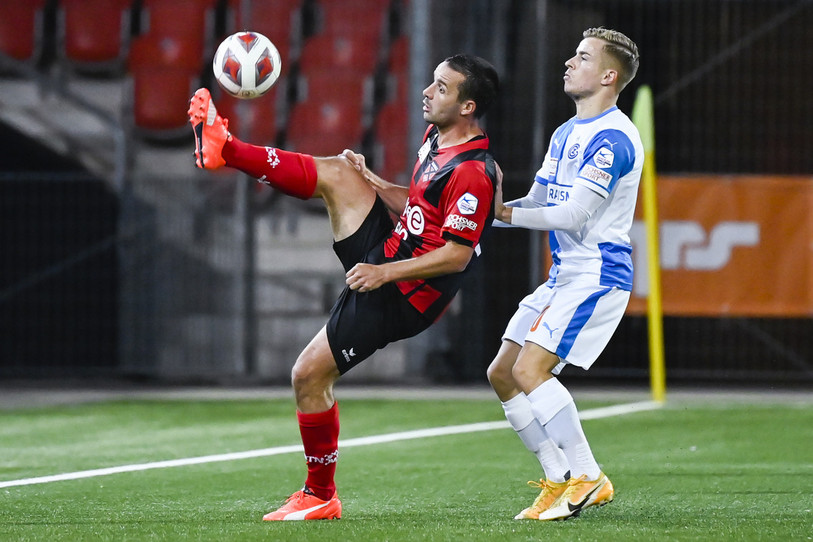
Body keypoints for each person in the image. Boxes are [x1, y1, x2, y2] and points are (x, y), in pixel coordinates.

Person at [188, 54, 500, 520]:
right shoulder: (436, 140)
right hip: (390, 253)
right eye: (431, 81)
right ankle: (225, 147)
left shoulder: (474, 171)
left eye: (441, 87)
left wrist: (383, 274)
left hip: (405, 294)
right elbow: (418, 206)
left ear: (468, 106)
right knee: (340, 171)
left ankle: (320, 495)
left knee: (307, 376)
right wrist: (370, 181)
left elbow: (456, 255)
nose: (427, 92)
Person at [486, 27, 642, 521]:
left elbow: (573, 215)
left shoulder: (614, 139)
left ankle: (588, 475)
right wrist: (480, 212)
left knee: (531, 370)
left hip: (597, 274)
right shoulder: (565, 132)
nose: (569, 63)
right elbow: (538, 202)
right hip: (563, 275)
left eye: (582, 57)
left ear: (609, 75)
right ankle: (557, 477)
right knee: (502, 373)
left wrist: (506, 216)